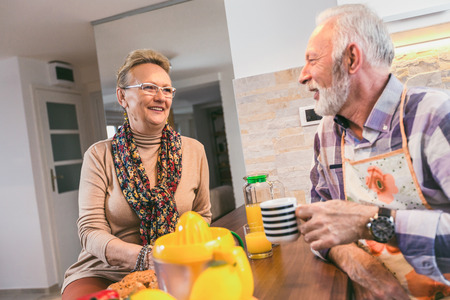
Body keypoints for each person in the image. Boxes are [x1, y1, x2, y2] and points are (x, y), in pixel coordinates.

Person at [295, 4, 450, 299]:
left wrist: (371, 221)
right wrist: (363, 267)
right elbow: (317, 227)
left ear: (352, 58)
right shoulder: (327, 133)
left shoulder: (434, 115)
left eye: (312, 60)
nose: (303, 76)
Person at [61, 49, 212, 299]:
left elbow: (203, 215)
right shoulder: (98, 156)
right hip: (104, 271)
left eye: (167, 89)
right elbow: (90, 231)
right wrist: (146, 257)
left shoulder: (194, 150)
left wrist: (176, 254)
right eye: (149, 87)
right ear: (122, 96)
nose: (161, 97)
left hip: (175, 264)